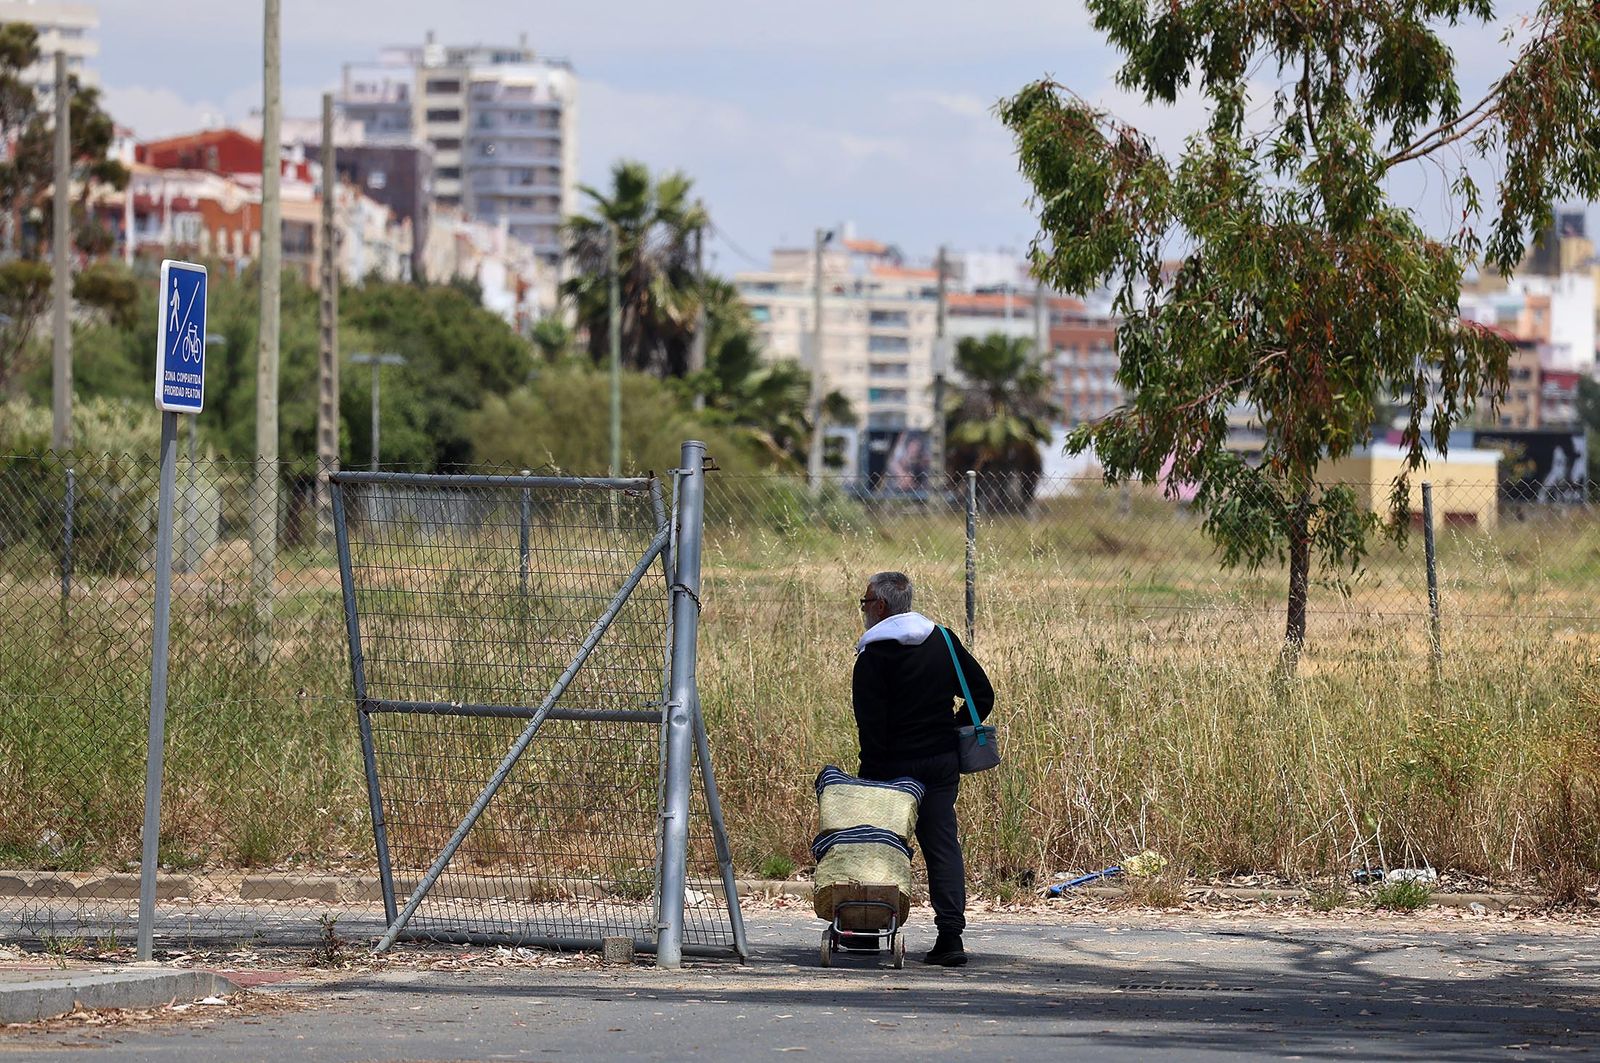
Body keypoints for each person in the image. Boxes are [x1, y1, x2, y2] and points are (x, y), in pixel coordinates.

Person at [853, 570, 994, 966]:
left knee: (880, 847)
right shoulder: (943, 640)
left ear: (881, 606)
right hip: (940, 762)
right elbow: (981, 694)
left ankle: (869, 933)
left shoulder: (873, 655)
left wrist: (870, 776)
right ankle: (951, 936)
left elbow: (870, 724)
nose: (863, 610)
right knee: (942, 845)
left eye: (865, 602)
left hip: (891, 767)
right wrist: (952, 728)